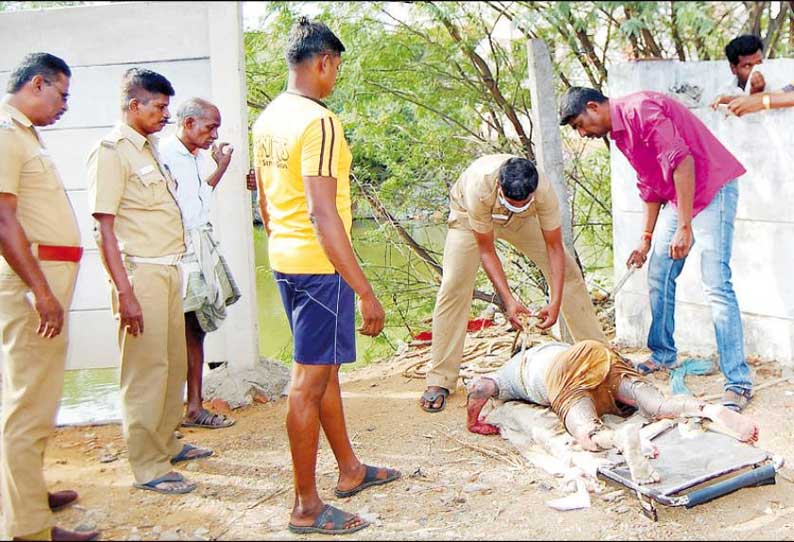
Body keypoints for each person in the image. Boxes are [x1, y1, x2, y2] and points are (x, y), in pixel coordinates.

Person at [252, 17, 400, 535]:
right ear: (324, 62)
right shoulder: (318, 122)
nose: (335, 77)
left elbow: (267, 204)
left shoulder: (269, 118)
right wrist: (364, 290)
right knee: (306, 386)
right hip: (319, 270)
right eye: (336, 67)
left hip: (286, 261)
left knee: (324, 372)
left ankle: (351, 470)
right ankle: (305, 507)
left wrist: (281, 246)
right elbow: (322, 212)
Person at [559, 86, 753, 412]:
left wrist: (685, 226)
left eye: (580, 124)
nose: (581, 133)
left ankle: (739, 382)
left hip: (711, 187)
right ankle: (663, 353)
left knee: (716, 283)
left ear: (593, 107)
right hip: (682, 196)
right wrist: (646, 238)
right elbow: (650, 185)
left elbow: (683, 162)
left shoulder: (642, 109)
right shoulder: (620, 134)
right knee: (659, 272)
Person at [87, 68, 212, 496]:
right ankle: (147, 465)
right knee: (144, 372)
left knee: (172, 364)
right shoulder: (112, 151)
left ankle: (167, 442)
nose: (165, 114)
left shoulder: (152, 148)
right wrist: (124, 292)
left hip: (169, 270)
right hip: (140, 274)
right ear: (133, 105)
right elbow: (103, 229)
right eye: (159, 107)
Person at [0, 52, 100, 542]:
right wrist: (40, 289)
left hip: (45, 275)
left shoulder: (24, 134)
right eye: (62, 94)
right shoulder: (4, 132)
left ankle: (29, 495)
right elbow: (3, 219)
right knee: (28, 403)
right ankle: (28, 529)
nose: (65, 106)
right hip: (29, 282)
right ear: (37, 84)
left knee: (38, 396)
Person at [419, 154, 607, 413]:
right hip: (469, 218)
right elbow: (486, 250)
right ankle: (440, 378)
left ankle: (603, 358)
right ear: (500, 187)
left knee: (571, 274)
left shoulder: (542, 191)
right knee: (454, 286)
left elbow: (554, 247)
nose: (515, 203)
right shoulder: (479, 186)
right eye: (511, 200)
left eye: (523, 200)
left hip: (523, 221)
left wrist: (555, 302)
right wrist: (509, 302)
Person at [466, 340, 759, 483]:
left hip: (560, 375)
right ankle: (709, 408)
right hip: (595, 354)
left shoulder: (508, 374)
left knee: (587, 433)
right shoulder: (550, 346)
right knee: (657, 406)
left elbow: (478, 388)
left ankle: (619, 440)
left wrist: (473, 422)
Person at [159, 97, 241, 429]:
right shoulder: (164, 155)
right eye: (210, 127)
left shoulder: (193, 157)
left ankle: (193, 406)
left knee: (196, 327)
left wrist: (220, 166)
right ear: (189, 123)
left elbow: (199, 198)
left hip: (198, 245)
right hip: (177, 251)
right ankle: (170, 415)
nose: (214, 135)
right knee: (179, 329)